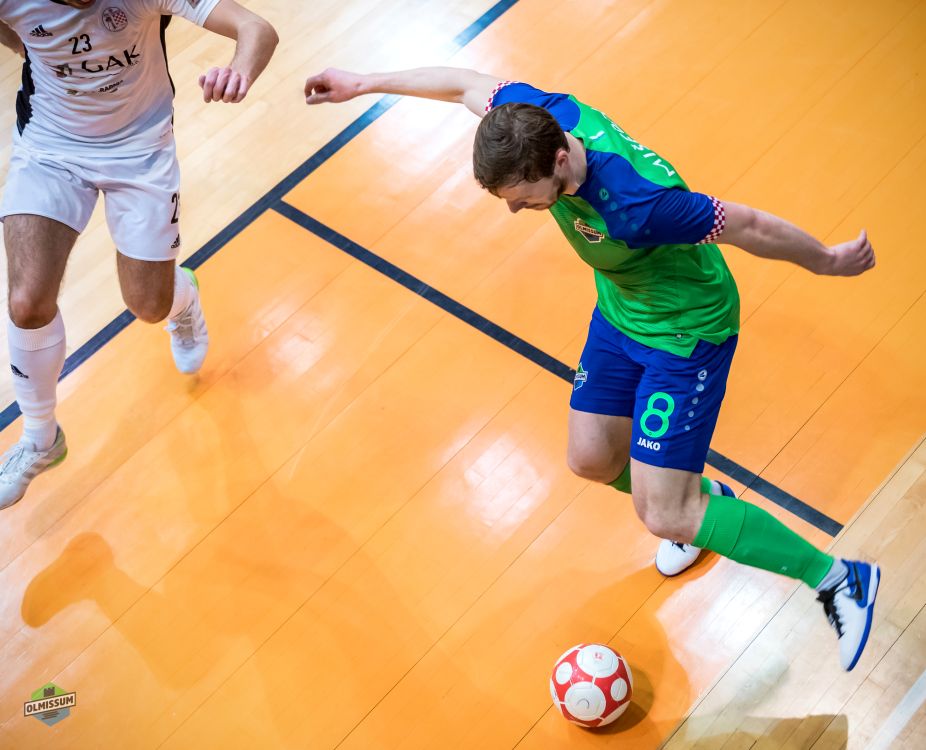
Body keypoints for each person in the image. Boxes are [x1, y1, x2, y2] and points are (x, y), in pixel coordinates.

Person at [303, 66, 880, 671]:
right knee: (592, 459)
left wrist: (826, 261)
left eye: (523, 198)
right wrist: (363, 84)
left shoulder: (637, 205)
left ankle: (839, 579)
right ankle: (704, 499)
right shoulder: (531, 118)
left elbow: (747, 225)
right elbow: (462, 86)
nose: (515, 210)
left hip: (685, 334)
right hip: (621, 311)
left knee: (662, 513)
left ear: (559, 161)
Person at [0, 0, 278, 508]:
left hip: (141, 149)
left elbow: (256, 28)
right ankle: (40, 437)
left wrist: (240, 70)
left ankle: (182, 301)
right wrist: (29, 47)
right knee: (26, 301)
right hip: (49, 146)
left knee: (148, 306)